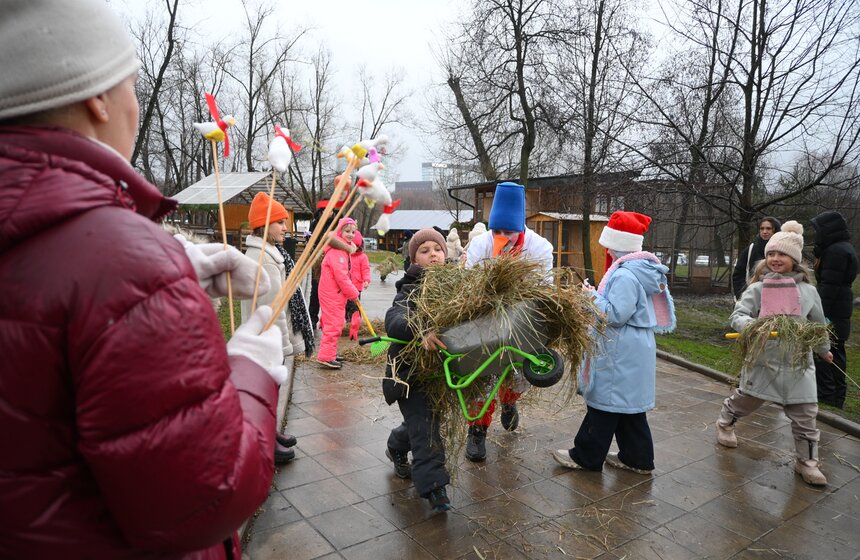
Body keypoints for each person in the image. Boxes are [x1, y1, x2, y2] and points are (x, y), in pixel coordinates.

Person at [0, 1, 287, 557]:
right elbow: (207, 497)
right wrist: (251, 370)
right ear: (96, 96)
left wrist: (167, 271)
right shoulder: (120, 257)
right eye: (130, 83)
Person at [552, 211, 675, 475]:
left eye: (608, 244)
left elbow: (616, 315)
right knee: (628, 407)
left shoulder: (624, 275)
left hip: (620, 348)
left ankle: (586, 456)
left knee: (605, 403)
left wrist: (590, 296)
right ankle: (637, 458)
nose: (605, 249)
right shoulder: (640, 270)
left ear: (617, 244)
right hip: (634, 346)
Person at [715, 221, 832, 486]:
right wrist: (754, 328)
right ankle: (725, 422)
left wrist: (824, 350)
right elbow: (738, 316)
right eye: (771, 254)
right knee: (747, 400)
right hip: (764, 360)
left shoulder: (809, 292)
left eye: (782, 254)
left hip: (798, 364)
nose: (775, 259)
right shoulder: (758, 288)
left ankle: (807, 462)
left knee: (805, 415)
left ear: (795, 259)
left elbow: (819, 324)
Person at [463, 182, 554, 461]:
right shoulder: (481, 245)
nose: (502, 237)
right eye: (497, 231)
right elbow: (468, 286)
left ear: (521, 227)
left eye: (509, 232)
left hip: (522, 319)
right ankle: (477, 430)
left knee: (516, 372)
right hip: (486, 317)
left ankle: (509, 402)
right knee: (482, 374)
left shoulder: (540, 248)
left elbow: (544, 288)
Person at [241, 192, 316, 463]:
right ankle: (264, 440)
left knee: (271, 390)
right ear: (264, 225)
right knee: (265, 391)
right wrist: (281, 345)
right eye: (280, 222)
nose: (286, 228)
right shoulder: (265, 259)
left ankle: (270, 431)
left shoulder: (274, 254)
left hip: (266, 339)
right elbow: (273, 310)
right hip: (265, 339)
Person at [383, 228, 452, 513]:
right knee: (426, 429)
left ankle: (396, 444)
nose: (432, 254)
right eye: (424, 251)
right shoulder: (410, 288)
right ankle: (434, 487)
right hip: (410, 375)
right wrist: (420, 328)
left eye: (437, 249)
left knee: (422, 423)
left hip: (443, 373)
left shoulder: (457, 285)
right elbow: (394, 319)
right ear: (414, 260)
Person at [810, 211, 858, 409]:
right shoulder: (840, 248)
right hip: (839, 310)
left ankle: (829, 397)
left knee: (828, 352)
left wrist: (818, 316)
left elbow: (829, 287)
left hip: (832, 312)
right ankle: (835, 396)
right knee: (836, 352)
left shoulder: (836, 252)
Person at [317, 218, 360, 368]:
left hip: (336, 293)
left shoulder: (344, 250)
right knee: (333, 324)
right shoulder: (338, 252)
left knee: (337, 322)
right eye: (347, 231)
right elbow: (341, 277)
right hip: (332, 293)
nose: (350, 234)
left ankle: (331, 353)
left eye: (353, 232)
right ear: (339, 232)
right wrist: (353, 293)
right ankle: (325, 356)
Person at [732, 217, 782, 299]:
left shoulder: (783, 251)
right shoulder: (751, 250)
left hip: (777, 299)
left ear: (775, 230)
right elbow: (738, 274)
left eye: (768, 228)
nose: (764, 232)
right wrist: (742, 295)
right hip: (752, 299)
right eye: (762, 228)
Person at [347, 230, 372, 340]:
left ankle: (354, 328)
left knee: (355, 309)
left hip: (356, 288)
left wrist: (366, 280)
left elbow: (365, 269)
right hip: (344, 287)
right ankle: (348, 323)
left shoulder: (363, 257)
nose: (353, 248)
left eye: (355, 246)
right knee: (345, 307)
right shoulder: (346, 255)